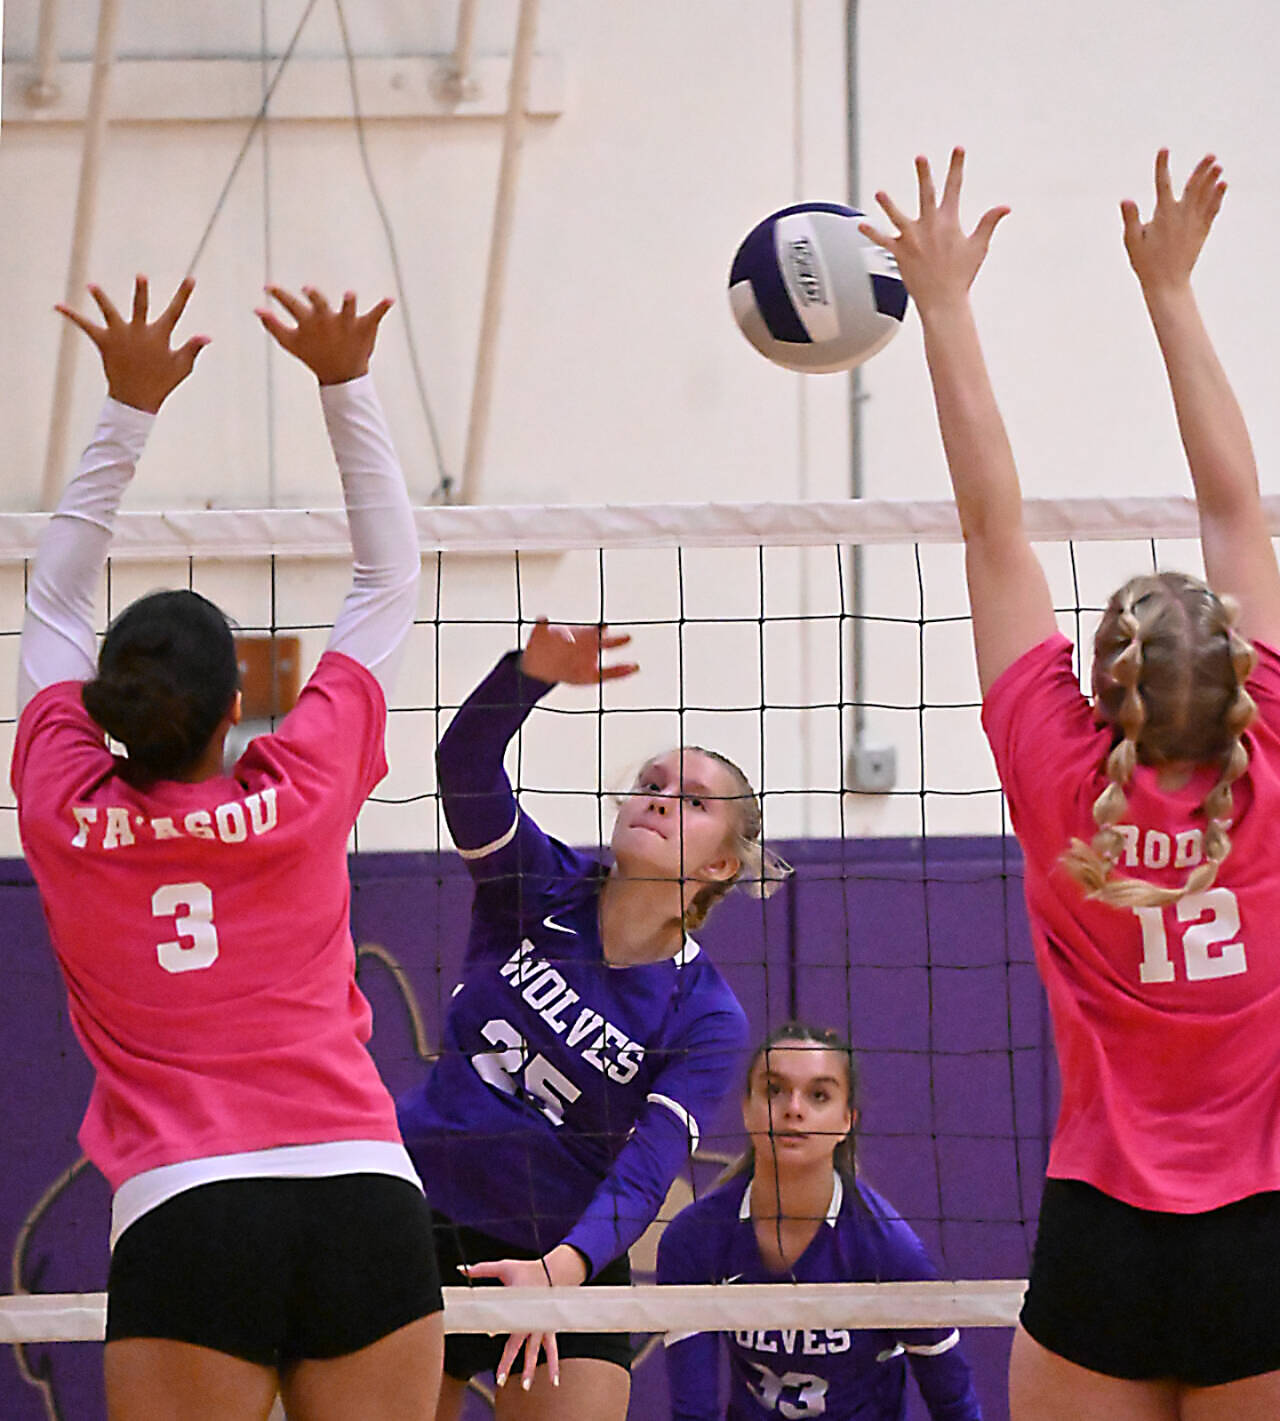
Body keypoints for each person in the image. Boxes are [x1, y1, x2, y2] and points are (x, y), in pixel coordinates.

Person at [860, 148, 1280, 1420]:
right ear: (1239, 686)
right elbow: (1233, 507)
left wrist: (939, 302)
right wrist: (1168, 289)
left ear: (1101, 688)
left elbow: (992, 524)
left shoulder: (1054, 770)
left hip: (1099, 1226)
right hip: (1259, 1238)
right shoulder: (1270, 762)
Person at [14, 275, 442, 1419]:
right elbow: (389, 576)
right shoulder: (300, 785)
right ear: (237, 704)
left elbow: (48, 606)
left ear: (105, 704)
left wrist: (126, 409)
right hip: (361, 1190)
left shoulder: (61, 802)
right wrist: (345, 382)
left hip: (190, 1207)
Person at [397, 620, 785, 1418]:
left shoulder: (706, 1015)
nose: (660, 798)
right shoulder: (536, 884)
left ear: (718, 865)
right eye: (652, 780)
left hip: (561, 1248)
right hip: (418, 1212)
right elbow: (463, 767)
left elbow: (648, 1166)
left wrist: (560, 1271)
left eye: (695, 800)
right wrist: (528, 675)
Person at [657, 1021, 983, 1420]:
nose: (794, 1108)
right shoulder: (694, 1238)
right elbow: (694, 1413)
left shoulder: (889, 1250)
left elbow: (955, 1405)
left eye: (818, 1095)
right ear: (746, 1109)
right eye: (774, 1090)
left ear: (847, 1120)